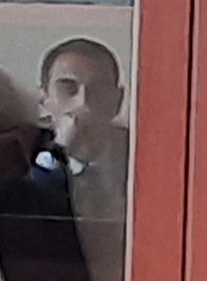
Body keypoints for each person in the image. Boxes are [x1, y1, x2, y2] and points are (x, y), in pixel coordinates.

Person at [25, 35, 131, 212]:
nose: (83, 104)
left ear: (118, 100)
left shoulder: (141, 156)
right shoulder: (23, 157)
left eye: (99, 90)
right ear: (42, 100)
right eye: (67, 88)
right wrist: (59, 149)